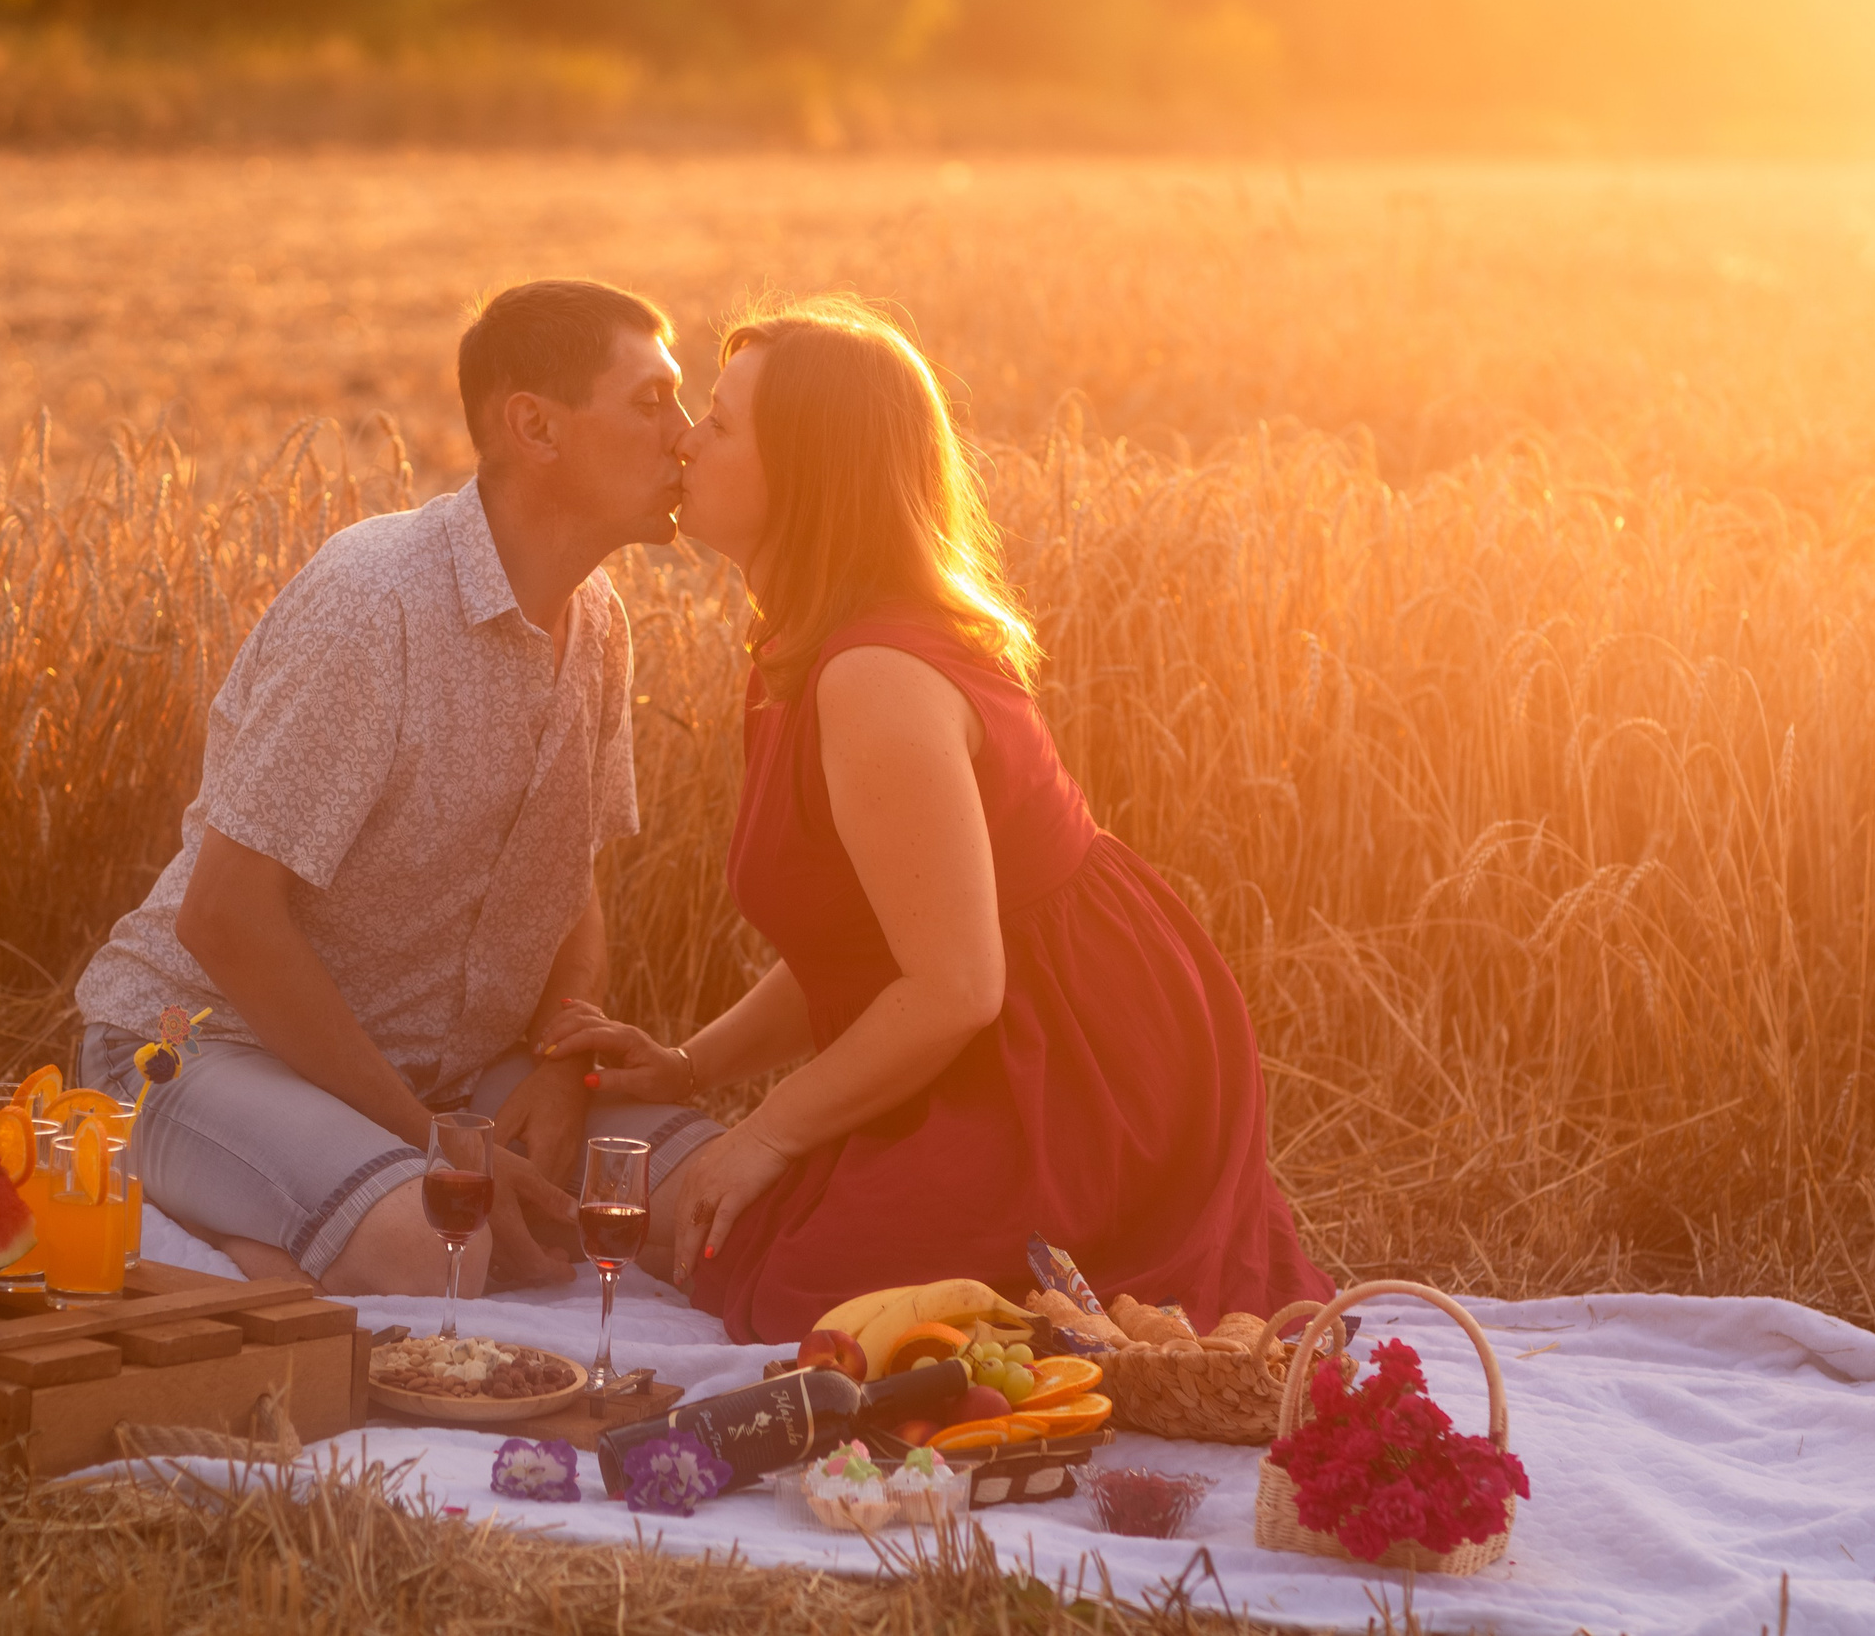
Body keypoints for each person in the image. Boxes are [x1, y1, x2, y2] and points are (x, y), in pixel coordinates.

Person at [542, 296, 1335, 1342]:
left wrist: (763, 1134)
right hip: (992, 1024)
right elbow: (863, 938)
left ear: (810, 470)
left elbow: (956, 980)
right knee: (766, 1261)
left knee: (808, 1304)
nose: (687, 438)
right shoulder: (800, 646)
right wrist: (694, 1069)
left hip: (1075, 1062)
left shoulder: (874, 675)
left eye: (722, 422)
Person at [74, 279, 722, 1297]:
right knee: (445, 1242)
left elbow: (573, 888)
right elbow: (225, 915)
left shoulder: (600, 622)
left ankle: (299, 1238)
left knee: (709, 1198)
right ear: (535, 426)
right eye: (651, 401)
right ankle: (150, 1226)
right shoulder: (374, 602)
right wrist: (429, 1142)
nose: (687, 436)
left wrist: (560, 1066)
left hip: (451, 1076)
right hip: (193, 1049)